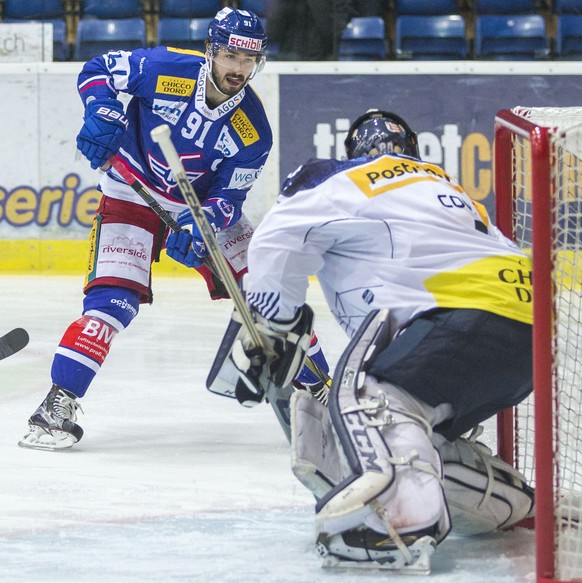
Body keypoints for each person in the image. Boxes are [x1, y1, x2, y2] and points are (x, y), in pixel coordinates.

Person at [219, 109, 535, 570]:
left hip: (464, 313)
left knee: (372, 402)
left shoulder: (329, 175)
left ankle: (399, 528)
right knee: (415, 437)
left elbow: (278, 241)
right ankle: (509, 501)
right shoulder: (445, 184)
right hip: (528, 327)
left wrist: (269, 327)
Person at [18, 7, 327, 451]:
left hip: (196, 209)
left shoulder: (252, 128)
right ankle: (57, 404)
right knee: (112, 304)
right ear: (210, 51)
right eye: (230, 57)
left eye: (248, 59)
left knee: (269, 291)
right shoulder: (166, 69)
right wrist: (103, 111)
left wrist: (203, 226)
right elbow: (98, 69)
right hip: (130, 194)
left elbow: (228, 198)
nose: (239, 69)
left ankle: (322, 389)